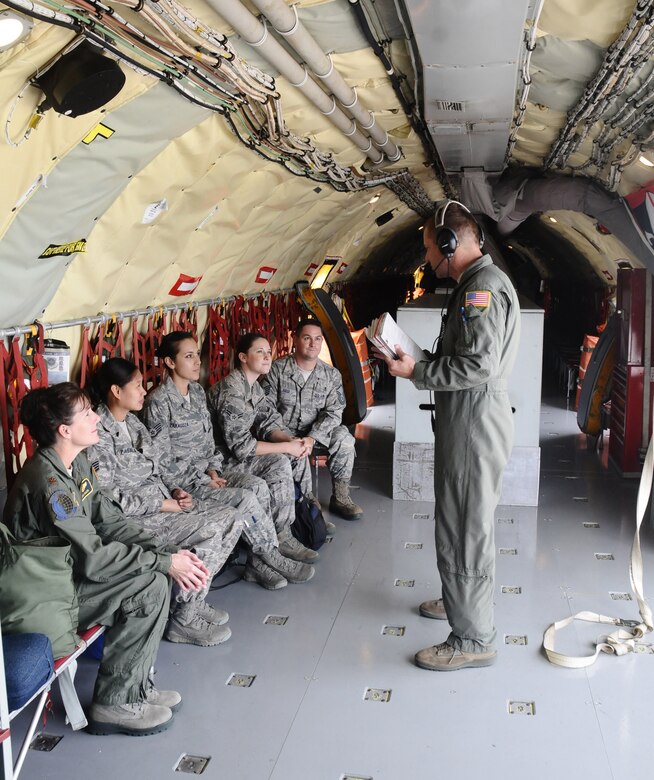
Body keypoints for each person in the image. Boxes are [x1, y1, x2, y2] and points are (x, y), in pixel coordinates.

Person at [3, 383, 207, 735]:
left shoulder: (75, 462)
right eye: (86, 414)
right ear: (65, 430)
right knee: (149, 586)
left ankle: (133, 688)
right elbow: (94, 559)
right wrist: (161, 563)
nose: (95, 417)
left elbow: (109, 521)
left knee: (156, 577)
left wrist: (166, 552)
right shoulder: (49, 484)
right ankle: (115, 704)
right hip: (44, 599)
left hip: (66, 580)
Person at [377, 200, 520, 671]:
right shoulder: (475, 284)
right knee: (462, 520)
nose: (425, 259)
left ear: (449, 243)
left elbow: (480, 365)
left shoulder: (483, 290)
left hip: (474, 426)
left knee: (464, 527)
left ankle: (472, 637)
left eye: (427, 249)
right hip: (468, 420)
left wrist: (416, 370)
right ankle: (460, 599)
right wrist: (418, 361)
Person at [91, 358, 314, 595]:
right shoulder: (100, 435)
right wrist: (168, 498)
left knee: (252, 492)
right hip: (142, 514)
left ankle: (263, 558)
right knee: (232, 514)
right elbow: (108, 499)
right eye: (137, 385)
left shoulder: (133, 423)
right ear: (116, 391)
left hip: (175, 493)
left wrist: (181, 488)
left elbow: (163, 466)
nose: (143, 390)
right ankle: (188, 608)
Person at [141, 331, 318, 564]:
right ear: (170, 362)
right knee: (253, 489)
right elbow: (163, 462)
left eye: (197, 355)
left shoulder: (196, 392)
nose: (197, 362)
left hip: (211, 469)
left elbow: (208, 441)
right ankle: (267, 558)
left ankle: (274, 543)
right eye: (189, 356)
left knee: (266, 479)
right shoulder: (159, 403)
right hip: (189, 480)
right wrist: (205, 477)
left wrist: (212, 470)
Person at [206, 333, 335, 536]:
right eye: (260, 352)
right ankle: (282, 533)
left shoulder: (253, 386)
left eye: (268, 352)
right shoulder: (231, 391)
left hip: (238, 452)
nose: (267, 357)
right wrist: (285, 447)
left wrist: (290, 441)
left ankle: (305, 514)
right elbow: (242, 447)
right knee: (280, 462)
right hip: (221, 460)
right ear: (243, 357)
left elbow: (268, 420)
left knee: (296, 454)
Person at [261, 319, 362, 520]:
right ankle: (305, 503)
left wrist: (312, 438)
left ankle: (341, 498)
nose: (313, 344)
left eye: (318, 339)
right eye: (307, 338)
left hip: (318, 433)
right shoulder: (277, 370)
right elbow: (266, 410)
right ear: (295, 339)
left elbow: (334, 412)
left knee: (345, 440)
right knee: (290, 452)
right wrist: (286, 439)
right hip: (285, 433)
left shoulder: (331, 375)